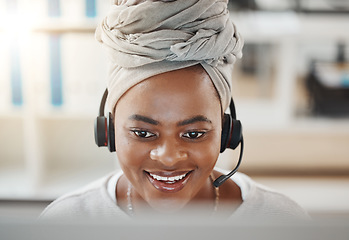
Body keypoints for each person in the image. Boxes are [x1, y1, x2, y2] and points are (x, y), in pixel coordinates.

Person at [40, 0, 308, 220]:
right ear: (107, 130)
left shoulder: (282, 221)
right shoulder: (65, 221)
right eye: (143, 133)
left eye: (193, 134)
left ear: (227, 133)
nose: (168, 158)